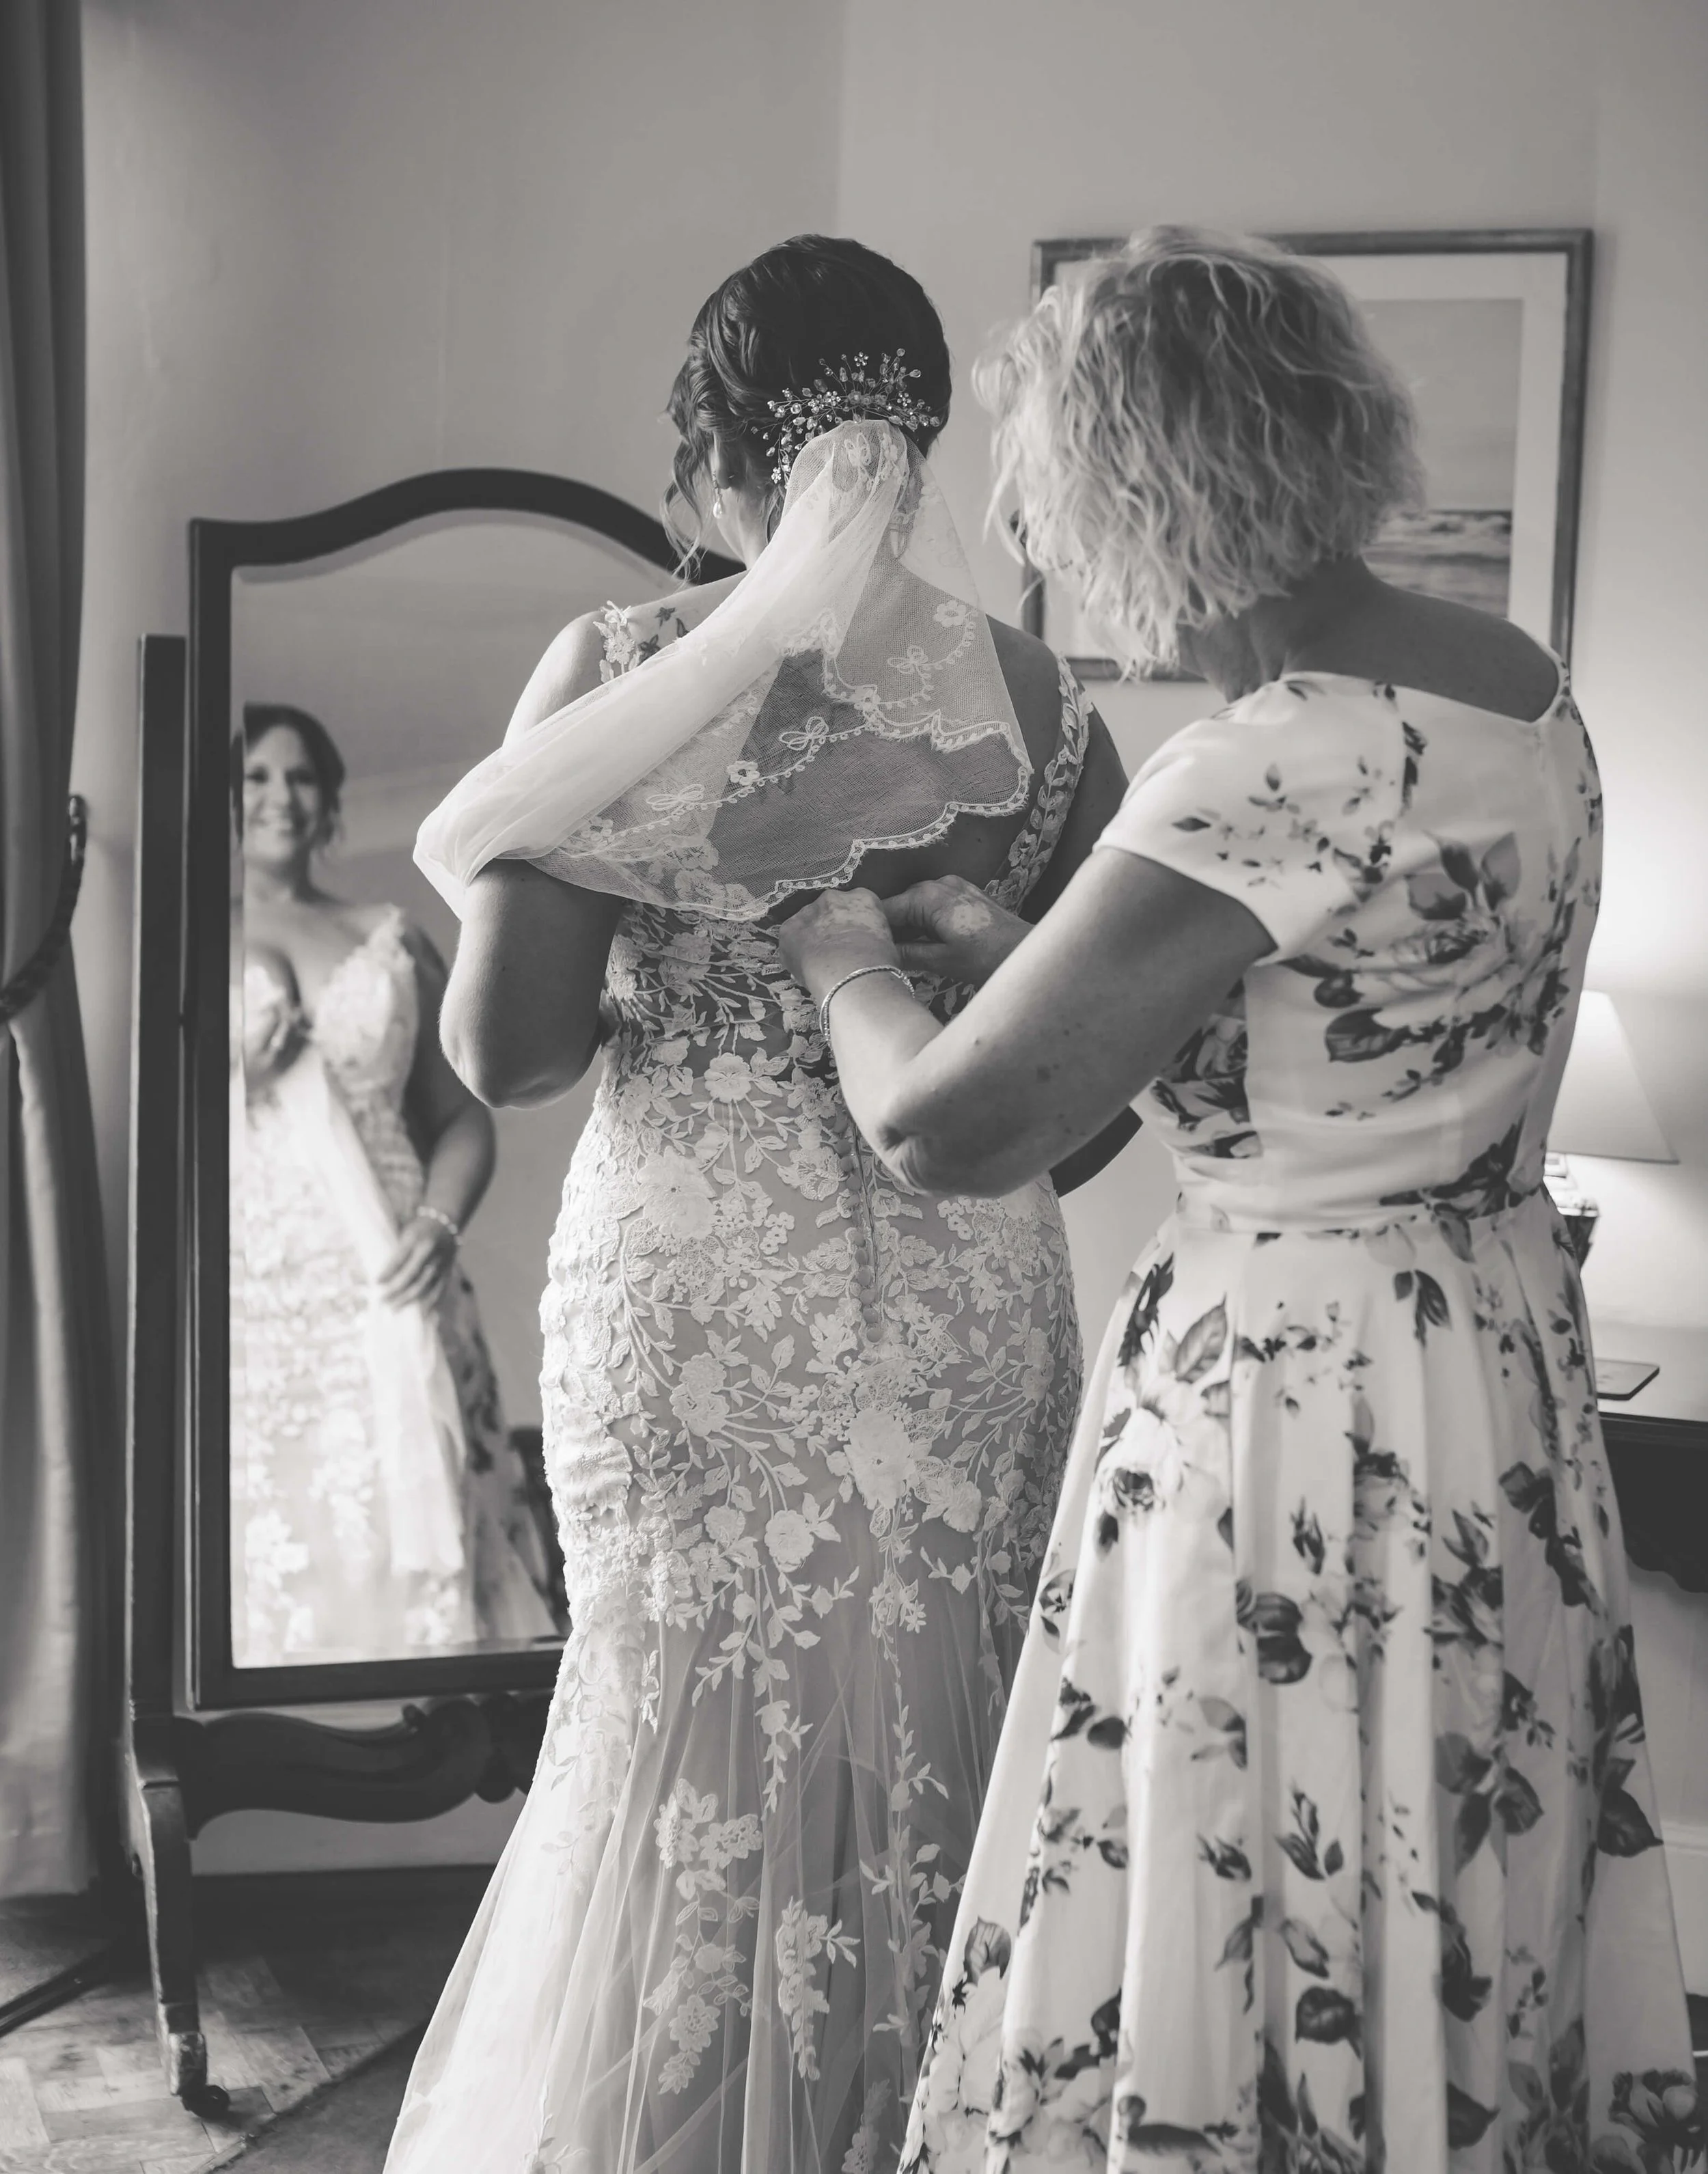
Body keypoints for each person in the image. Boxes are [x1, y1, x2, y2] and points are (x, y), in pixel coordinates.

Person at [777, 229, 1701, 2173]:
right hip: (1483, 1357)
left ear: (1137, 485)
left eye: (1047, 487)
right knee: (1427, 1841)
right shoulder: (1518, 691)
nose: (1031, 533)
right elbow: (1337, 1027)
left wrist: (842, 954)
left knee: (1259, 1854)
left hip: (1294, 1397)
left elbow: (946, 1129)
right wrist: (1025, 951)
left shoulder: (1265, 758)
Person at [385, 236, 1133, 2174]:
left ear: (719, 451)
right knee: (945, 1728)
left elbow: (509, 1055)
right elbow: (1085, 1113)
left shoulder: (627, 670)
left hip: (698, 1296)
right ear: (914, 440)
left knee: (676, 1738)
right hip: (968, 1300)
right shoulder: (1042, 704)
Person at [232, 703, 557, 1665]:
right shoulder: (170, 940)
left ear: (330, 802)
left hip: (399, 1277)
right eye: (256, 775)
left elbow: (462, 1116)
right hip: (257, 1302)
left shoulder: (386, 937)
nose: (280, 796)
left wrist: (438, 1224)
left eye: (301, 777)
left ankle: (446, 1712)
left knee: (432, 1512)